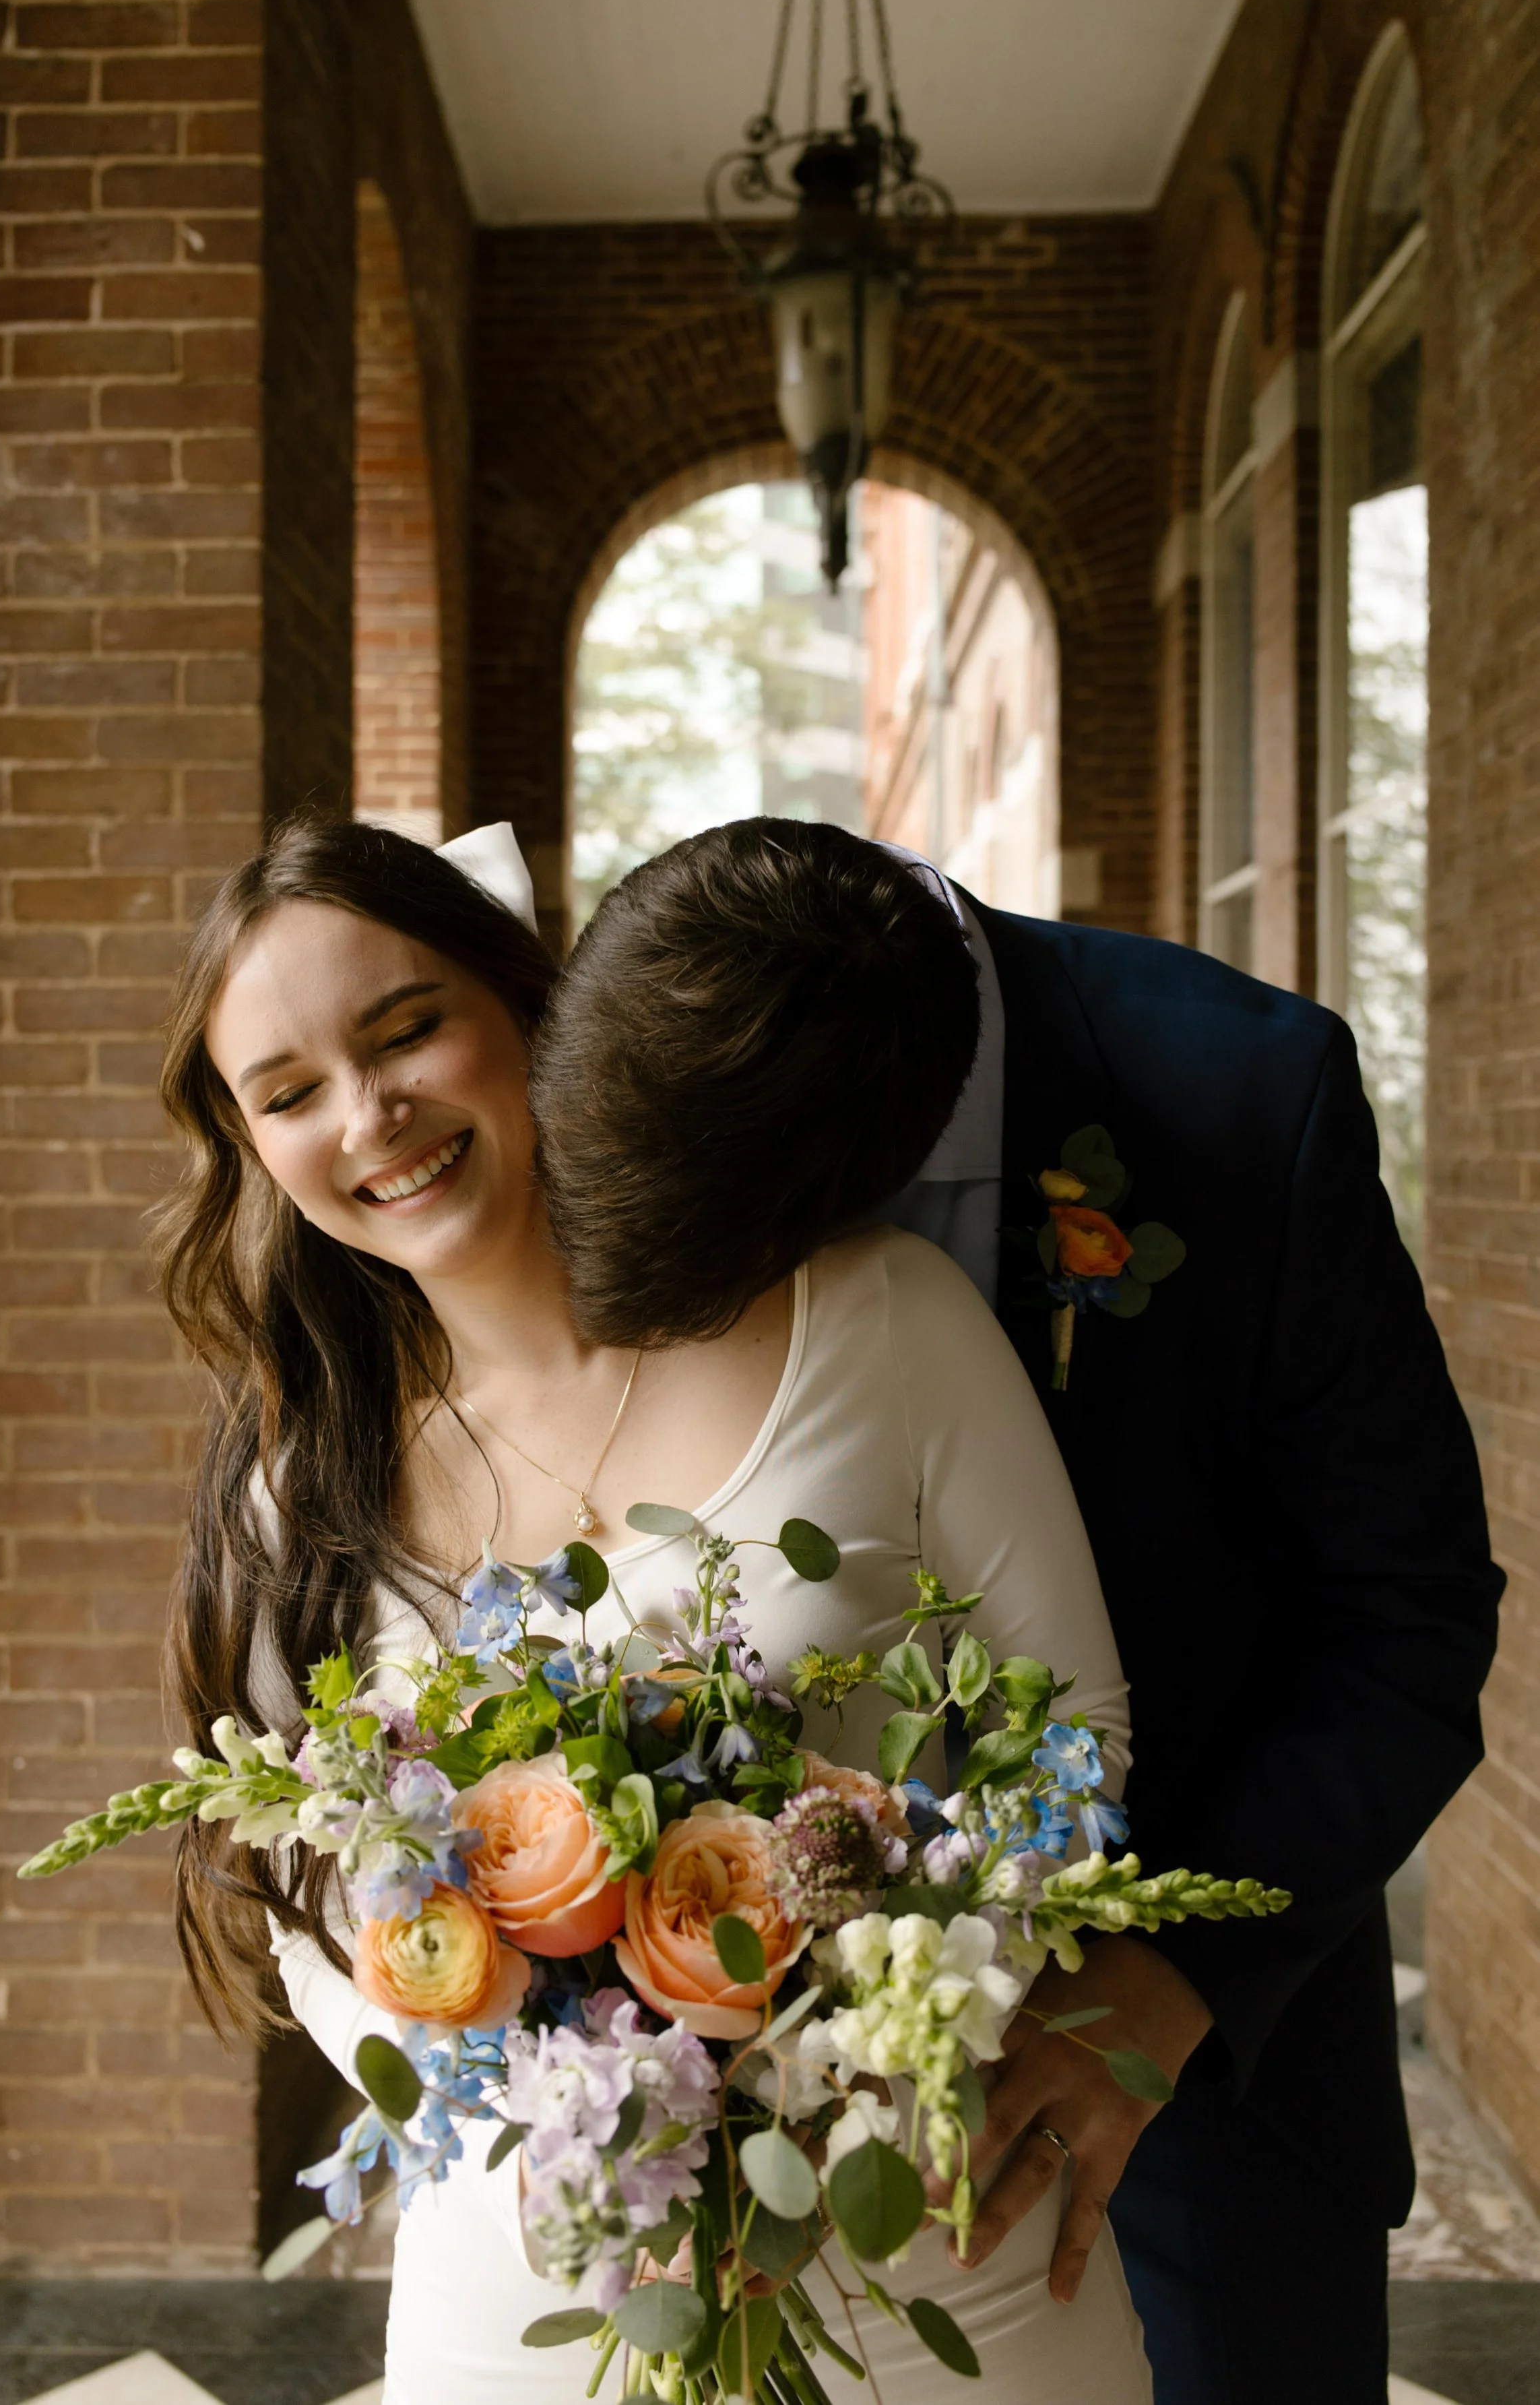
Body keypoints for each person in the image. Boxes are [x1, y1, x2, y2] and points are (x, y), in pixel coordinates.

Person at [152, 813, 1156, 2404]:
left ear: (529, 1007)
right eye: (289, 1095)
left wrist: (860, 2037)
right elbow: (312, 1898)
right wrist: (565, 2095)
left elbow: (1072, 1734)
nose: (370, 1115)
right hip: (539, 2260)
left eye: (407, 1030)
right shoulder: (303, 1483)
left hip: (920, 2218)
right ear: (256, 1147)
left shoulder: (874, 1312)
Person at [529, 814, 1504, 2405]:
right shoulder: (646, 1065)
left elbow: (1404, 1613)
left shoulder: (1246, 1103)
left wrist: (1173, 1977)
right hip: (748, 2102)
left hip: (1197, 2087)